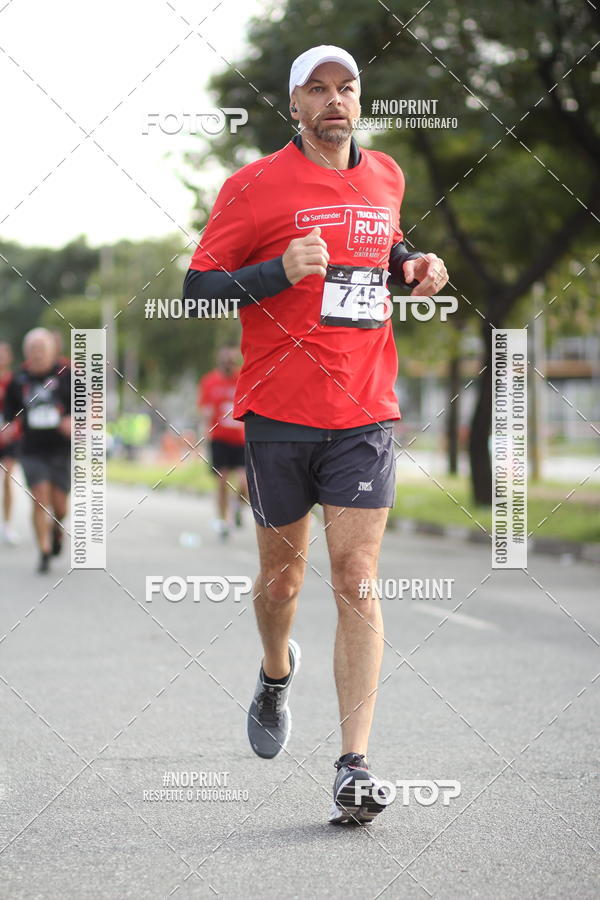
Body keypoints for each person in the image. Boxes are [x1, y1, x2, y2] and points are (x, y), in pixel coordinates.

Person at [183, 45, 449, 824]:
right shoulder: (253, 185)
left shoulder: (387, 174)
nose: (335, 100)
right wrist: (278, 272)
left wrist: (413, 264)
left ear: (359, 100)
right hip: (277, 414)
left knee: (358, 573)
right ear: (293, 106)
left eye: (347, 87)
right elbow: (197, 288)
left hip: (366, 409)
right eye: (317, 90)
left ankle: (353, 764)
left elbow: (385, 244)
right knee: (285, 584)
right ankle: (273, 672)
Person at [4, 328, 71, 573]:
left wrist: (73, 421)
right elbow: (9, 415)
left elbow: (86, 408)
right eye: (33, 349)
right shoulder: (18, 380)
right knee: (39, 497)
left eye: (42, 349)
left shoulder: (67, 375)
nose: (38, 354)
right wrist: (9, 427)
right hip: (32, 449)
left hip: (61, 449)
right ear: (26, 353)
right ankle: (43, 550)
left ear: (52, 351)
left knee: (60, 506)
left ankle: (56, 528)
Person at [197, 344, 248, 539]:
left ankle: (237, 507)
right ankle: (222, 520)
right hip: (219, 438)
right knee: (222, 480)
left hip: (241, 439)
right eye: (225, 359)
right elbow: (205, 410)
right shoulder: (209, 382)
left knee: (245, 482)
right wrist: (204, 436)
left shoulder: (242, 378)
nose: (228, 363)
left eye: (231, 359)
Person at [0, 342, 20, 545]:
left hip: (8, 438)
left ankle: (7, 524)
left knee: (7, 477)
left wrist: (13, 426)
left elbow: (21, 409)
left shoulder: (14, 381)